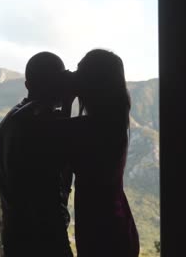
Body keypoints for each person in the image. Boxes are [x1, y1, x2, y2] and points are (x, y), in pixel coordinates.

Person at [55, 49, 140, 256]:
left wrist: (66, 101)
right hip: (117, 224)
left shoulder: (88, 128)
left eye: (79, 72)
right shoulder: (113, 123)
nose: (73, 76)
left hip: (100, 230)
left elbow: (58, 140)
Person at [0, 52, 74, 257]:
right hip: (45, 236)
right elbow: (60, 160)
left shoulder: (9, 121)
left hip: (16, 235)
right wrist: (68, 101)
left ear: (27, 85)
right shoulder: (41, 120)